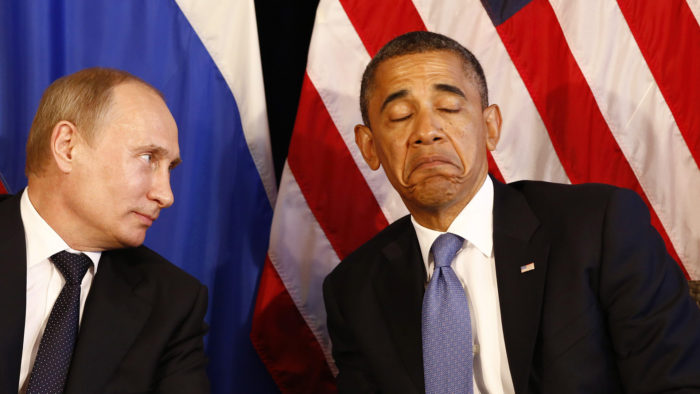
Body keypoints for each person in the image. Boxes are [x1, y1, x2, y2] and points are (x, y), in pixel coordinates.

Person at [323, 31, 700, 393]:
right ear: (368, 146)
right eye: (402, 115)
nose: (428, 131)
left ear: (490, 127)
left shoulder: (598, 227)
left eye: (449, 108)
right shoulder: (354, 291)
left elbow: (677, 382)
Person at [0, 67, 209, 393]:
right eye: (148, 157)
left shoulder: (173, 303)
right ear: (67, 147)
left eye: (170, 168)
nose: (166, 196)